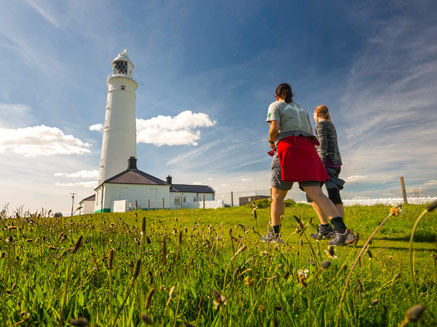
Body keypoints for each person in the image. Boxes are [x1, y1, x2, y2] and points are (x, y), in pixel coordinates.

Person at [263, 83, 355, 246]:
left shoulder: (275, 105)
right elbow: (312, 134)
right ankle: (342, 232)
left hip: (288, 147)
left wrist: (271, 142)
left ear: (276, 96)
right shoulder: (303, 110)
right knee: (317, 194)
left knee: (277, 195)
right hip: (308, 149)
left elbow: (274, 127)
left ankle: (274, 235)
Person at [308, 105, 347, 241]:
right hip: (336, 163)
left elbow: (322, 144)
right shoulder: (331, 125)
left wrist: (319, 163)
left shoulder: (320, 125)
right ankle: (339, 230)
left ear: (317, 113)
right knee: (334, 194)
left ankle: (329, 228)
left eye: (313, 115)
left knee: (312, 194)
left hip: (326, 163)